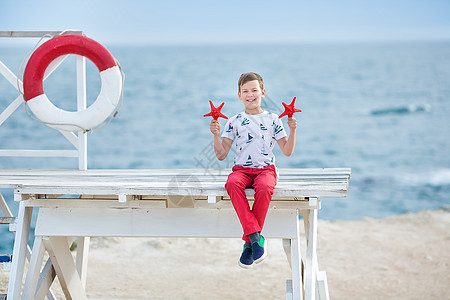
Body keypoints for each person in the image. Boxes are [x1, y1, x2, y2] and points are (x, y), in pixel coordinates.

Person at [209, 72, 297, 268]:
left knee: (265, 187)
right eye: (245, 91)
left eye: (254, 90)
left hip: (266, 170)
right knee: (231, 183)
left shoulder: (274, 119)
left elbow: (287, 151)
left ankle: (250, 241)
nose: (250, 94)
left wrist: (293, 130)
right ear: (239, 95)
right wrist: (215, 135)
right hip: (241, 169)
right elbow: (222, 154)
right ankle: (256, 237)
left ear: (263, 93)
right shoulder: (233, 121)